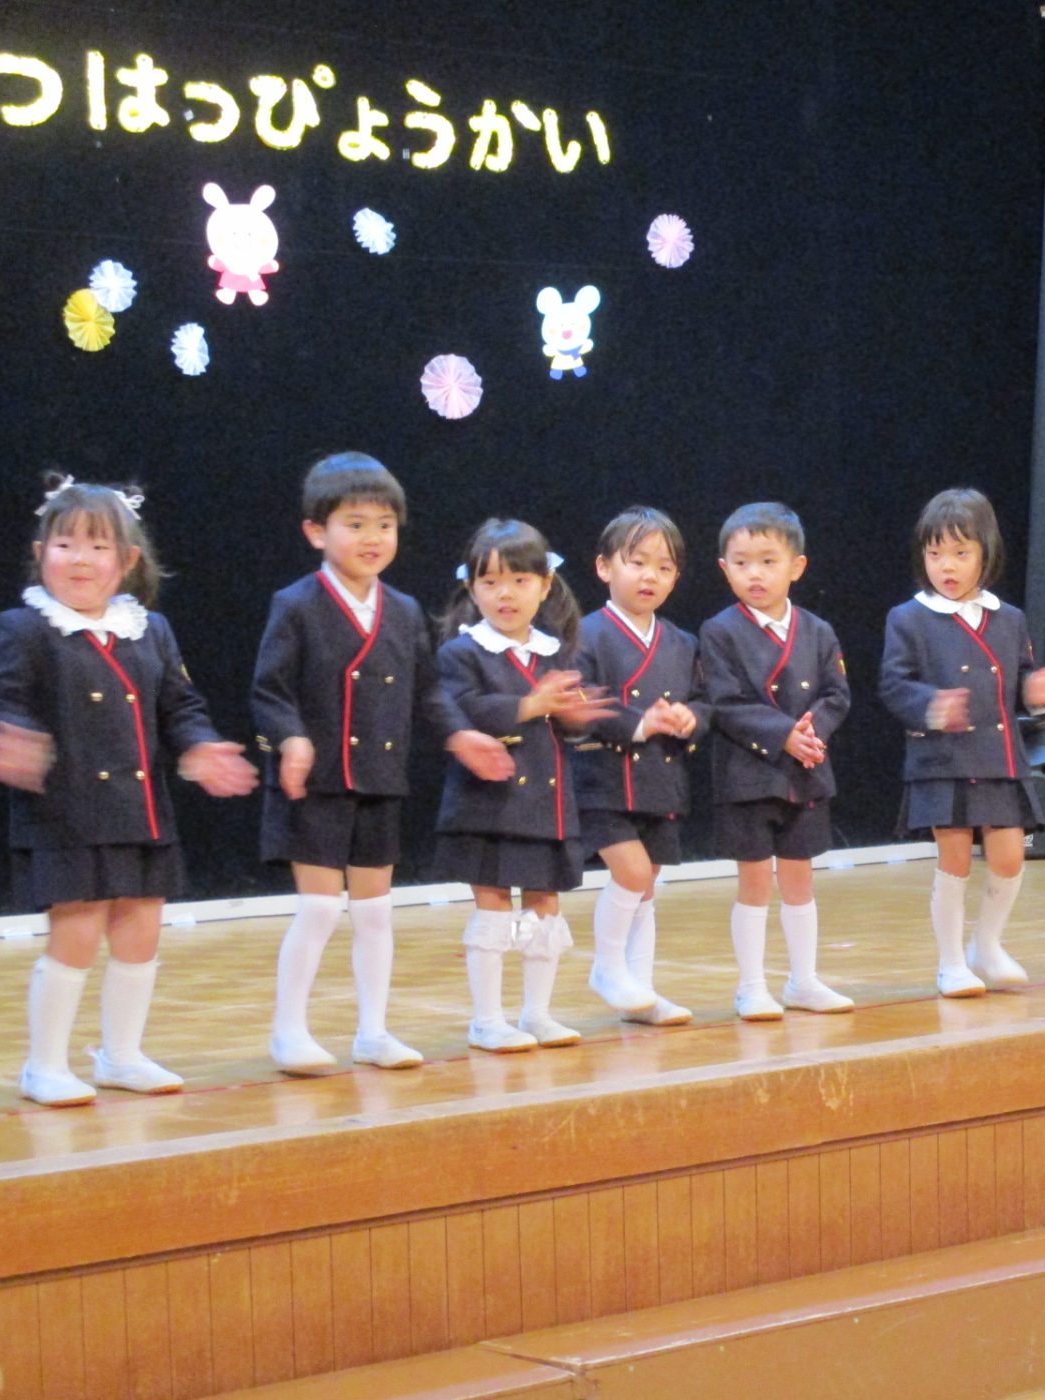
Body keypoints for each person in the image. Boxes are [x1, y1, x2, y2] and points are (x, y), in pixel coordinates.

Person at [0, 475, 257, 1105]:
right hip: (64, 812)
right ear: (41, 553)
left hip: (141, 810)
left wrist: (199, 745)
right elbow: (0, 698)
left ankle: (120, 1056)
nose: (80, 559)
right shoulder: (23, 628)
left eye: (98, 547)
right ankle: (44, 1065)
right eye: (65, 544)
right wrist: (7, 734)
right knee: (76, 933)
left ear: (127, 561)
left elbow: (180, 706)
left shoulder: (151, 630)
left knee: (141, 930)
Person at [252, 452, 513, 1074]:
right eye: (355, 524)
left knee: (374, 912)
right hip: (314, 782)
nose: (372, 537)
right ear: (316, 532)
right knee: (320, 908)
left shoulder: (402, 609)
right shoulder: (295, 603)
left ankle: (372, 1031)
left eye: (385, 525)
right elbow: (269, 691)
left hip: (379, 778)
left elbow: (429, 692)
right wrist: (291, 740)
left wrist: (460, 736)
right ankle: (288, 1032)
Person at [879, 488, 1045, 997]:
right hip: (942, 759)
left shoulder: (1008, 618)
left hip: (999, 757)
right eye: (935, 553)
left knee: (1010, 858)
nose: (946, 565)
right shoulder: (909, 618)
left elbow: (1020, 680)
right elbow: (894, 685)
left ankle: (986, 945)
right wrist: (932, 706)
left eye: (960, 552)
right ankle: (950, 963)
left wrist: (1033, 693)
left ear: (985, 552)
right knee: (953, 860)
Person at [436, 519, 614, 1050]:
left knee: (544, 911)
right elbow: (463, 709)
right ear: (472, 589)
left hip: (546, 804)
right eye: (489, 582)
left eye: (519, 580)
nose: (505, 594)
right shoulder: (461, 653)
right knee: (493, 910)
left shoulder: (556, 653)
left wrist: (575, 718)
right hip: (487, 804)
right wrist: (529, 705)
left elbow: (565, 723)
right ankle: (487, 1020)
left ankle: (536, 1014)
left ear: (544, 584)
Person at [700, 502, 854, 1019]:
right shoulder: (719, 631)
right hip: (747, 774)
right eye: (742, 563)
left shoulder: (818, 630)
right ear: (724, 568)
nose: (755, 574)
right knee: (754, 882)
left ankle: (803, 981)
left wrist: (810, 733)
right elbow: (724, 703)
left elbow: (836, 695)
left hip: (805, 770)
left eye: (768, 561)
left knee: (799, 879)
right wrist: (783, 734)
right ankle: (751, 986)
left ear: (797, 566)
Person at [570, 507, 711, 1025]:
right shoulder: (583, 634)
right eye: (637, 562)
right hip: (601, 779)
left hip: (660, 778)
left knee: (646, 883)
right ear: (604, 567)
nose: (650, 575)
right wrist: (639, 723)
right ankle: (607, 968)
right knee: (630, 872)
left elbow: (705, 701)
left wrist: (689, 718)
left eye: (664, 567)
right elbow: (580, 704)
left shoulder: (682, 642)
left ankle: (642, 991)